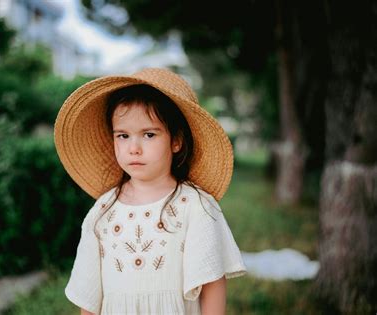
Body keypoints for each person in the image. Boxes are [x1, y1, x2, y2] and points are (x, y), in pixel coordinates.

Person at [54, 68, 247, 315]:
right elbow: (89, 295)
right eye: (123, 135)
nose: (134, 148)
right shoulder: (103, 210)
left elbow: (211, 282)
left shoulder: (195, 205)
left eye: (149, 134)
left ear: (176, 140)